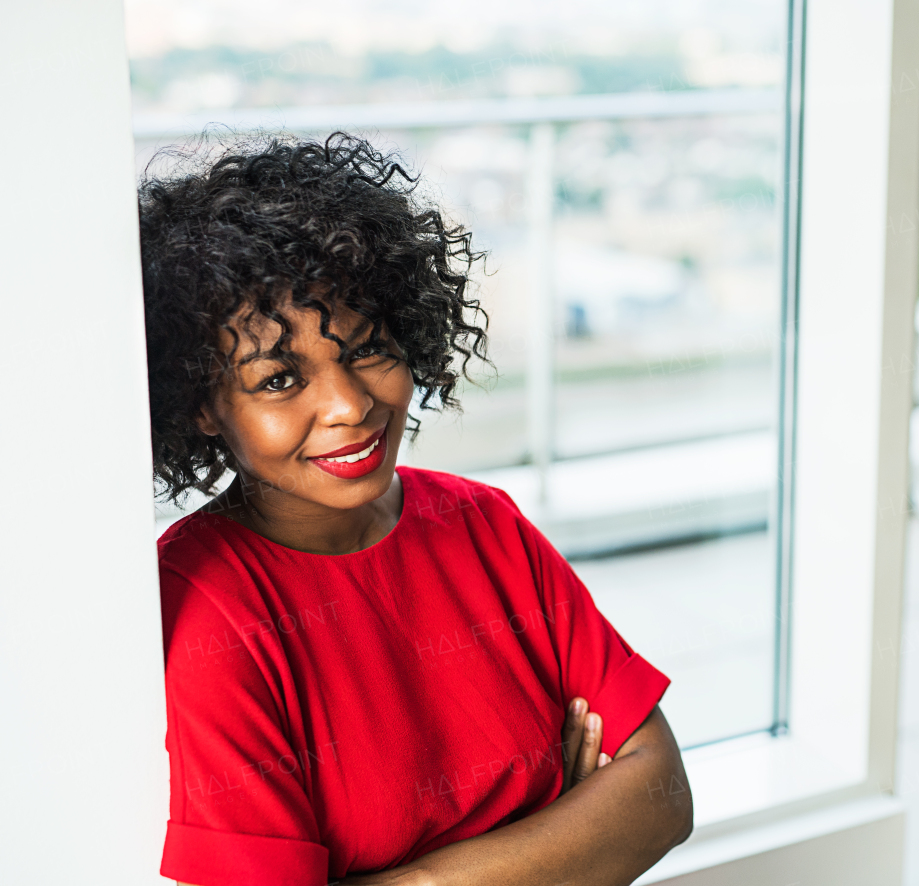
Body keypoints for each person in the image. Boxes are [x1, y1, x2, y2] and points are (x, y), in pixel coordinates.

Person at [140, 132, 693, 886]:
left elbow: (660, 798)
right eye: (278, 380)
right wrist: (562, 832)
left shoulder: (484, 523)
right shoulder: (202, 605)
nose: (349, 405)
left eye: (367, 349)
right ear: (203, 405)